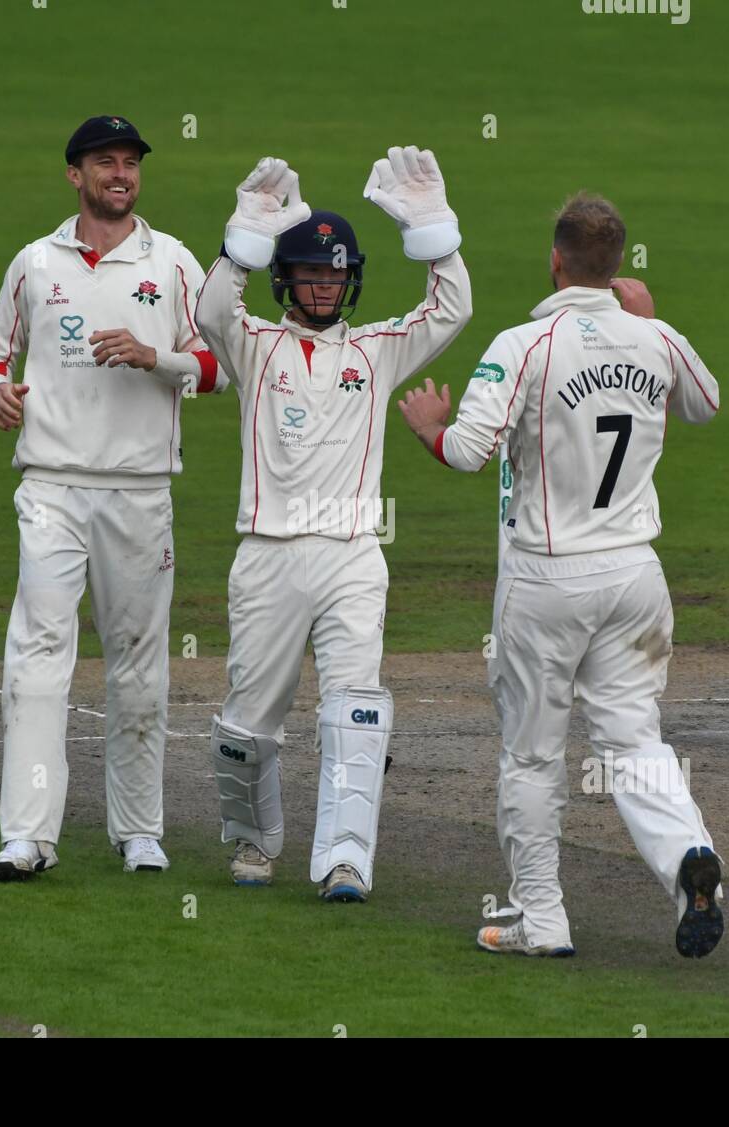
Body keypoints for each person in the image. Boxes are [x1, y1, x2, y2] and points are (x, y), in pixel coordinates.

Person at [398, 191, 724, 956]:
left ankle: (542, 919)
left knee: (534, 752)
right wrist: (648, 323)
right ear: (617, 267)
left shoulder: (525, 345)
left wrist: (428, 430)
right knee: (633, 738)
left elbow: (470, 452)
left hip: (548, 576)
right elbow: (706, 404)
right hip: (637, 577)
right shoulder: (654, 336)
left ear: (555, 260)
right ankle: (688, 862)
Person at [194, 148, 471, 901]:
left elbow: (452, 309)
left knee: (356, 709)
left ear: (352, 281)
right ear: (286, 278)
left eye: (336, 275)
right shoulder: (255, 345)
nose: (325, 286)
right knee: (247, 727)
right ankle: (253, 844)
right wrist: (241, 241)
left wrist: (435, 233)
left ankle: (345, 858)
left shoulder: (377, 351)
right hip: (269, 553)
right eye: (312, 274)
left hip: (352, 553)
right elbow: (211, 310)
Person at [0, 115, 225, 882]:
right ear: (74, 175)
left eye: (130, 163)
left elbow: (222, 365)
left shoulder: (174, 262)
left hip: (140, 489)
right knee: (38, 657)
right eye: (104, 163)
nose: (121, 174)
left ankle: (139, 831)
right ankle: (27, 836)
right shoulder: (36, 263)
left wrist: (159, 357)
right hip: (49, 485)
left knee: (139, 665)